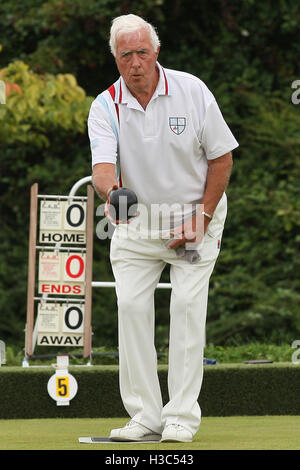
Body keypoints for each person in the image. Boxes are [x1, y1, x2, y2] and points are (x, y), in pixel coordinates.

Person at [88, 14, 238, 443]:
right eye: (125, 55)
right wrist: (113, 193)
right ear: (115, 58)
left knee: (186, 309)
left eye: (142, 52)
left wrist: (203, 217)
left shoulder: (192, 91)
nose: (135, 63)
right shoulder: (104, 106)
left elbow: (222, 158)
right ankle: (145, 417)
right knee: (132, 310)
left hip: (195, 219)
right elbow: (102, 169)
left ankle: (180, 419)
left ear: (156, 52)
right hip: (137, 225)